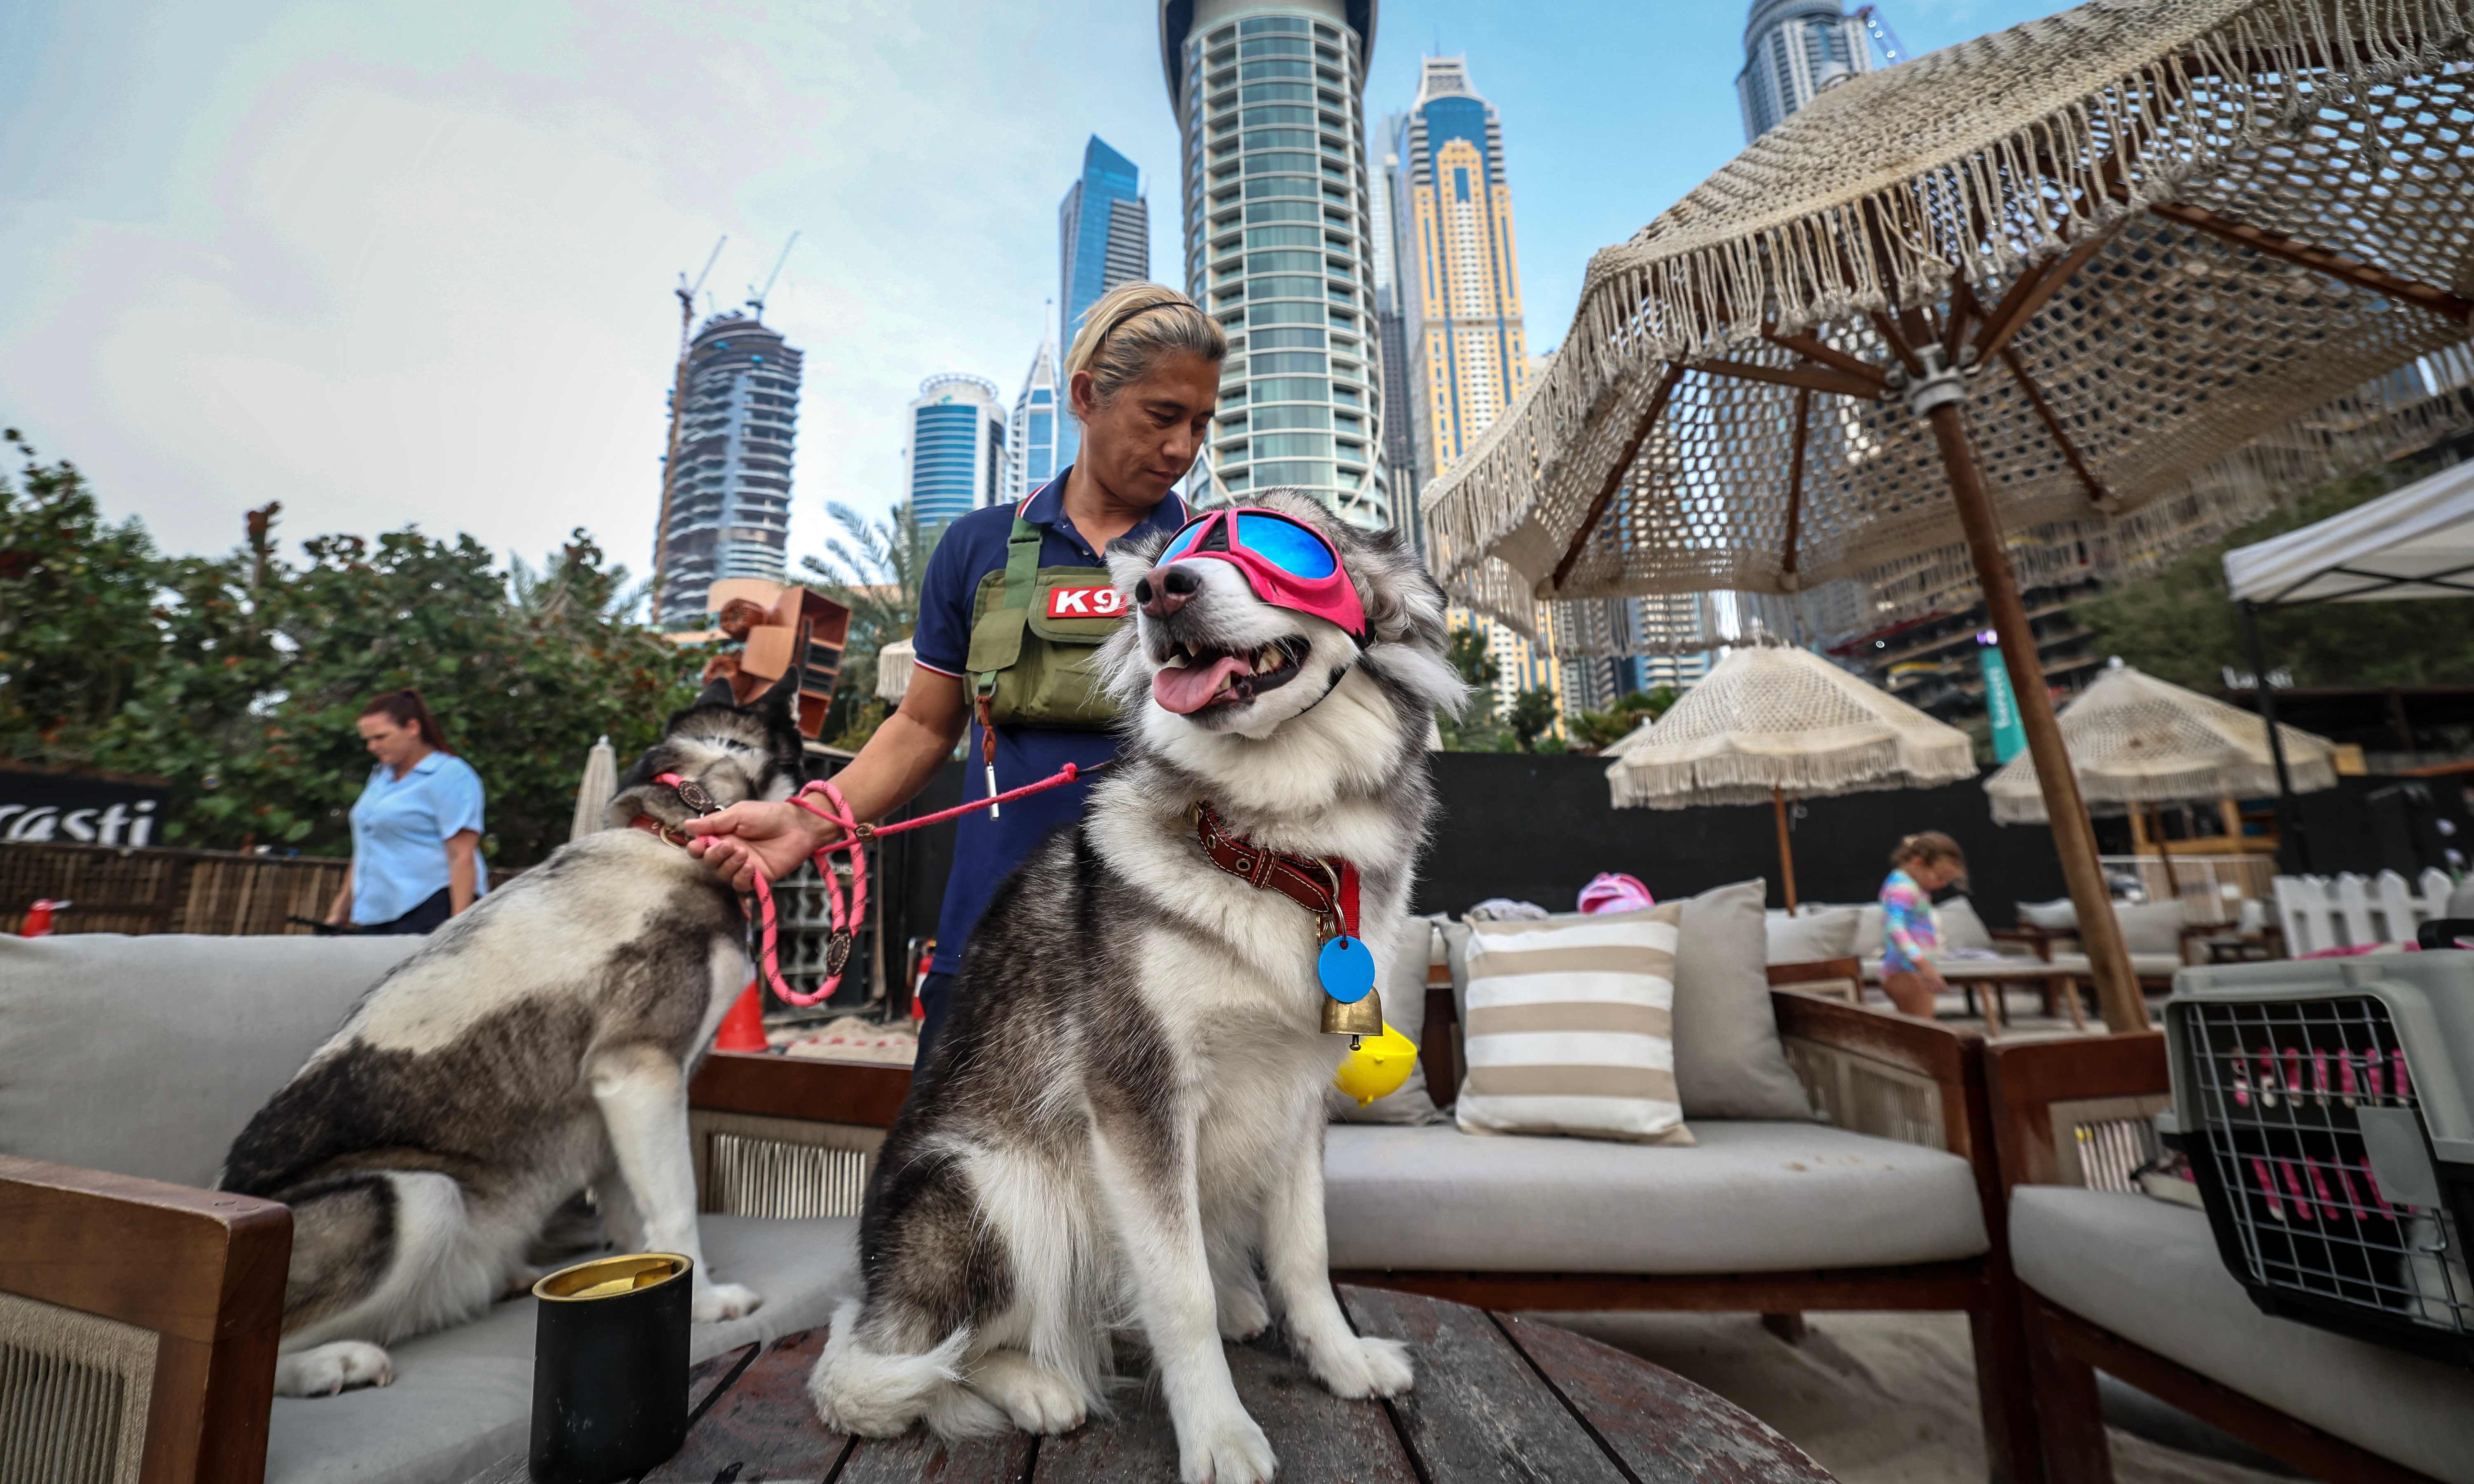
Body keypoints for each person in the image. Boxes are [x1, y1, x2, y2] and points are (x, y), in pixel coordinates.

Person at [682, 282, 1223, 1059]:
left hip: (1176, 951)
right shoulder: (977, 547)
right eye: (1162, 416)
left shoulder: (1223, 558)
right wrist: (806, 821)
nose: (1182, 449)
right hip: (992, 940)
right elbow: (922, 726)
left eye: (1200, 423)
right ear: (1085, 397)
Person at [325, 689, 488, 935]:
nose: (372, 747)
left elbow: (462, 855)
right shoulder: (381, 777)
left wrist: (457, 930)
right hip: (378, 913)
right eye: (368, 740)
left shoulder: (451, 775)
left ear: (413, 728)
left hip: (432, 908)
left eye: (381, 737)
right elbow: (366, 848)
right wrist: (339, 912)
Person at [1879, 831, 1966, 1018]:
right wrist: (1923, 965)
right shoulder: (1903, 888)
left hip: (1910, 971)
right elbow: (1894, 928)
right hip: (1906, 973)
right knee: (1923, 1029)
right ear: (1917, 863)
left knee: (1919, 1029)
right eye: (1940, 877)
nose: (1943, 884)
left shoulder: (1912, 886)